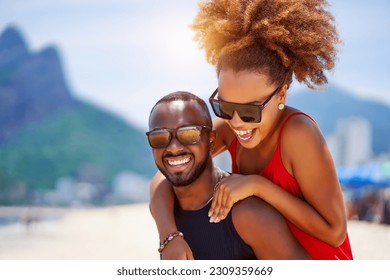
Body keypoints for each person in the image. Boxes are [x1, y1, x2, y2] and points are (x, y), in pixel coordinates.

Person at [150, 0, 353, 260]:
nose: (236, 122)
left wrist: (259, 186)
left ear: (281, 94)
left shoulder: (298, 134)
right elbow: (166, 174)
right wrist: (169, 236)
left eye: (249, 111)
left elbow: (334, 232)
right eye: (224, 106)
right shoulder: (229, 128)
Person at [146, 91, 310, 260]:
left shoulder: (249, 214)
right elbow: (159, 181)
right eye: (159, 137)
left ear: (211, 138)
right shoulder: (166, 206)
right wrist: (168, 237)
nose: (173, 148)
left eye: (188, 134)